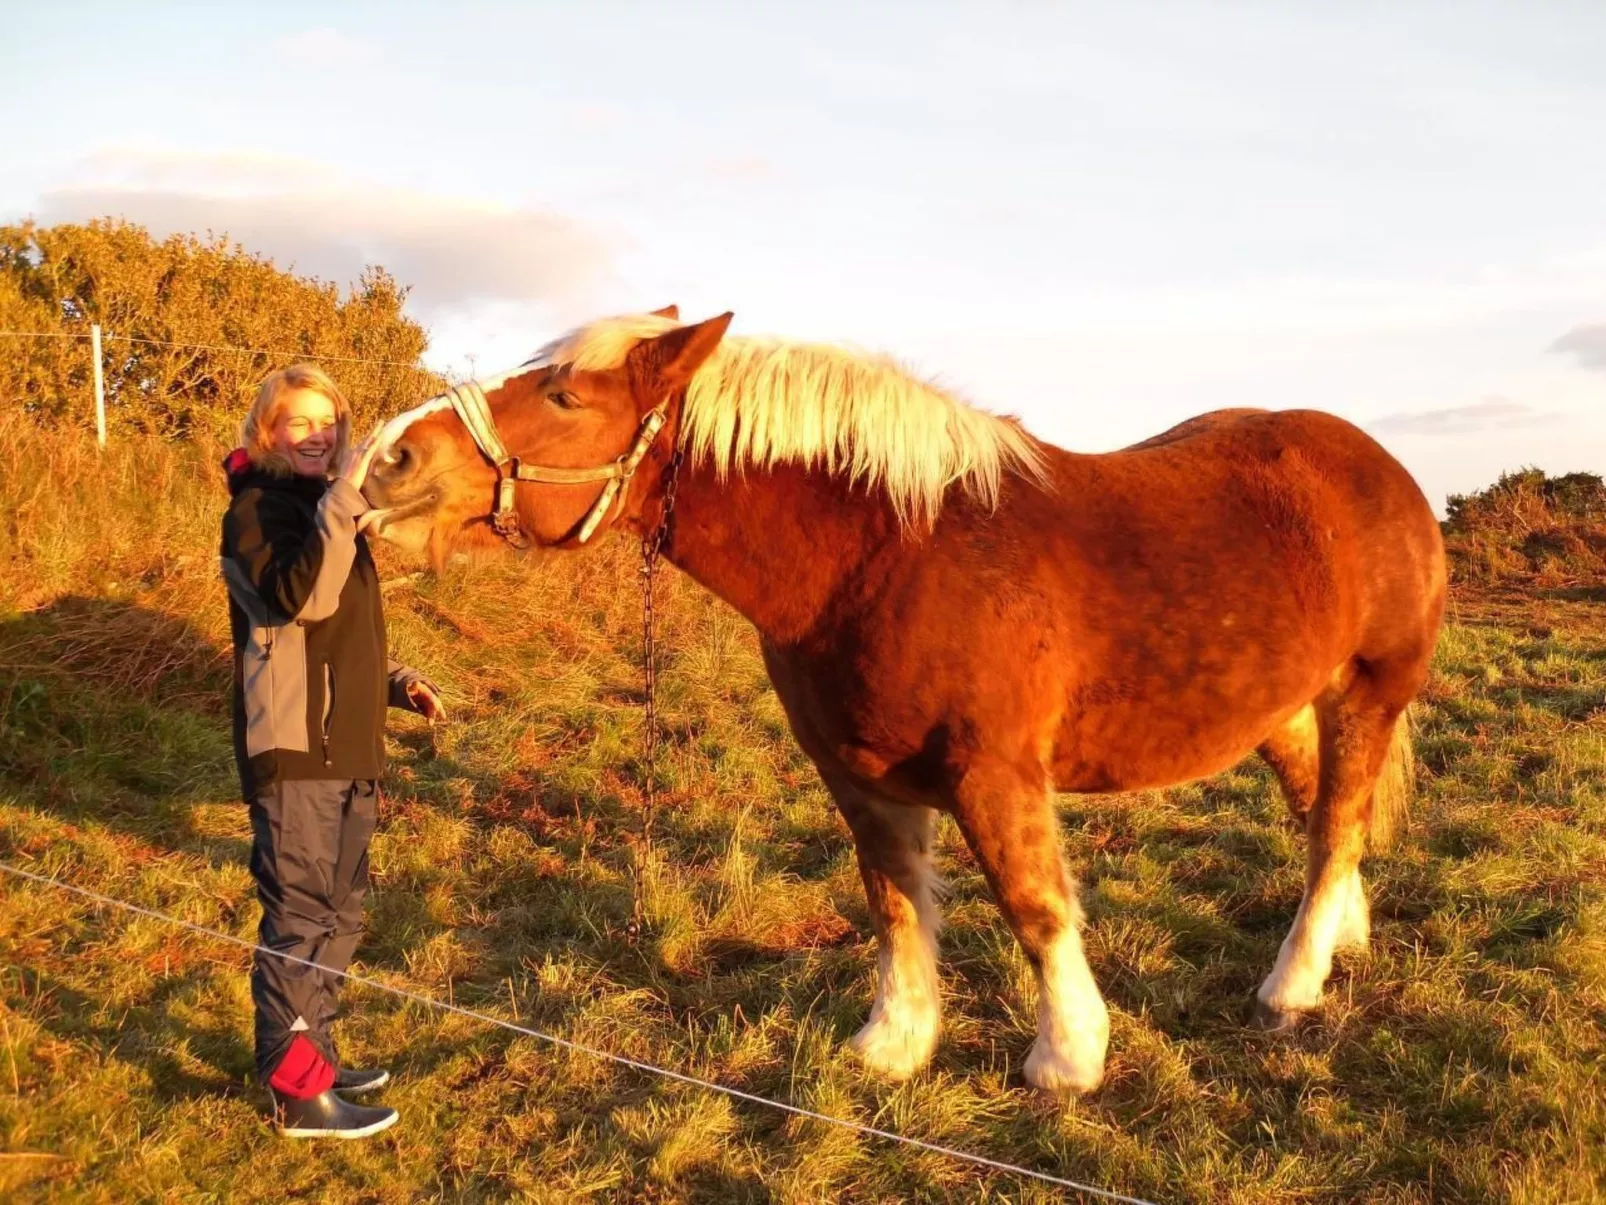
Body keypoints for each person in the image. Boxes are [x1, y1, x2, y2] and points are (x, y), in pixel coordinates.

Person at [219, 364, 446, 1139]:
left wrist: (393, 681)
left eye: (329, 423)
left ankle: (315, 1051)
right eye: (299, 423)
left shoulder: (322, 511)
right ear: (268, 431)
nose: (318, 435)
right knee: (300, 915)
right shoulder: (256, 513)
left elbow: (331, 637)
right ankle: (296, 1090)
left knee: (340, 915)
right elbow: (296, 600)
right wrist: (346, 503)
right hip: (293, 750)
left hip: (348, 745)